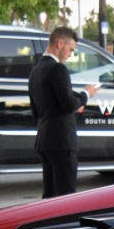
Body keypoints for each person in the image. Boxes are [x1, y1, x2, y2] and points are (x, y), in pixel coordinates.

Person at [28, 26, 100, 198]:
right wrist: (85, 95)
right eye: (71, 50)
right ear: (60, 44)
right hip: (62, 141)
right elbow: (68, 105)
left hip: (44, 139)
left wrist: (74, 103)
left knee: (50, 196)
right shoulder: (58, 69)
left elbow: (36, 109)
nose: (70, 55)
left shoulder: (35, 70)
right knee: (66, 197)